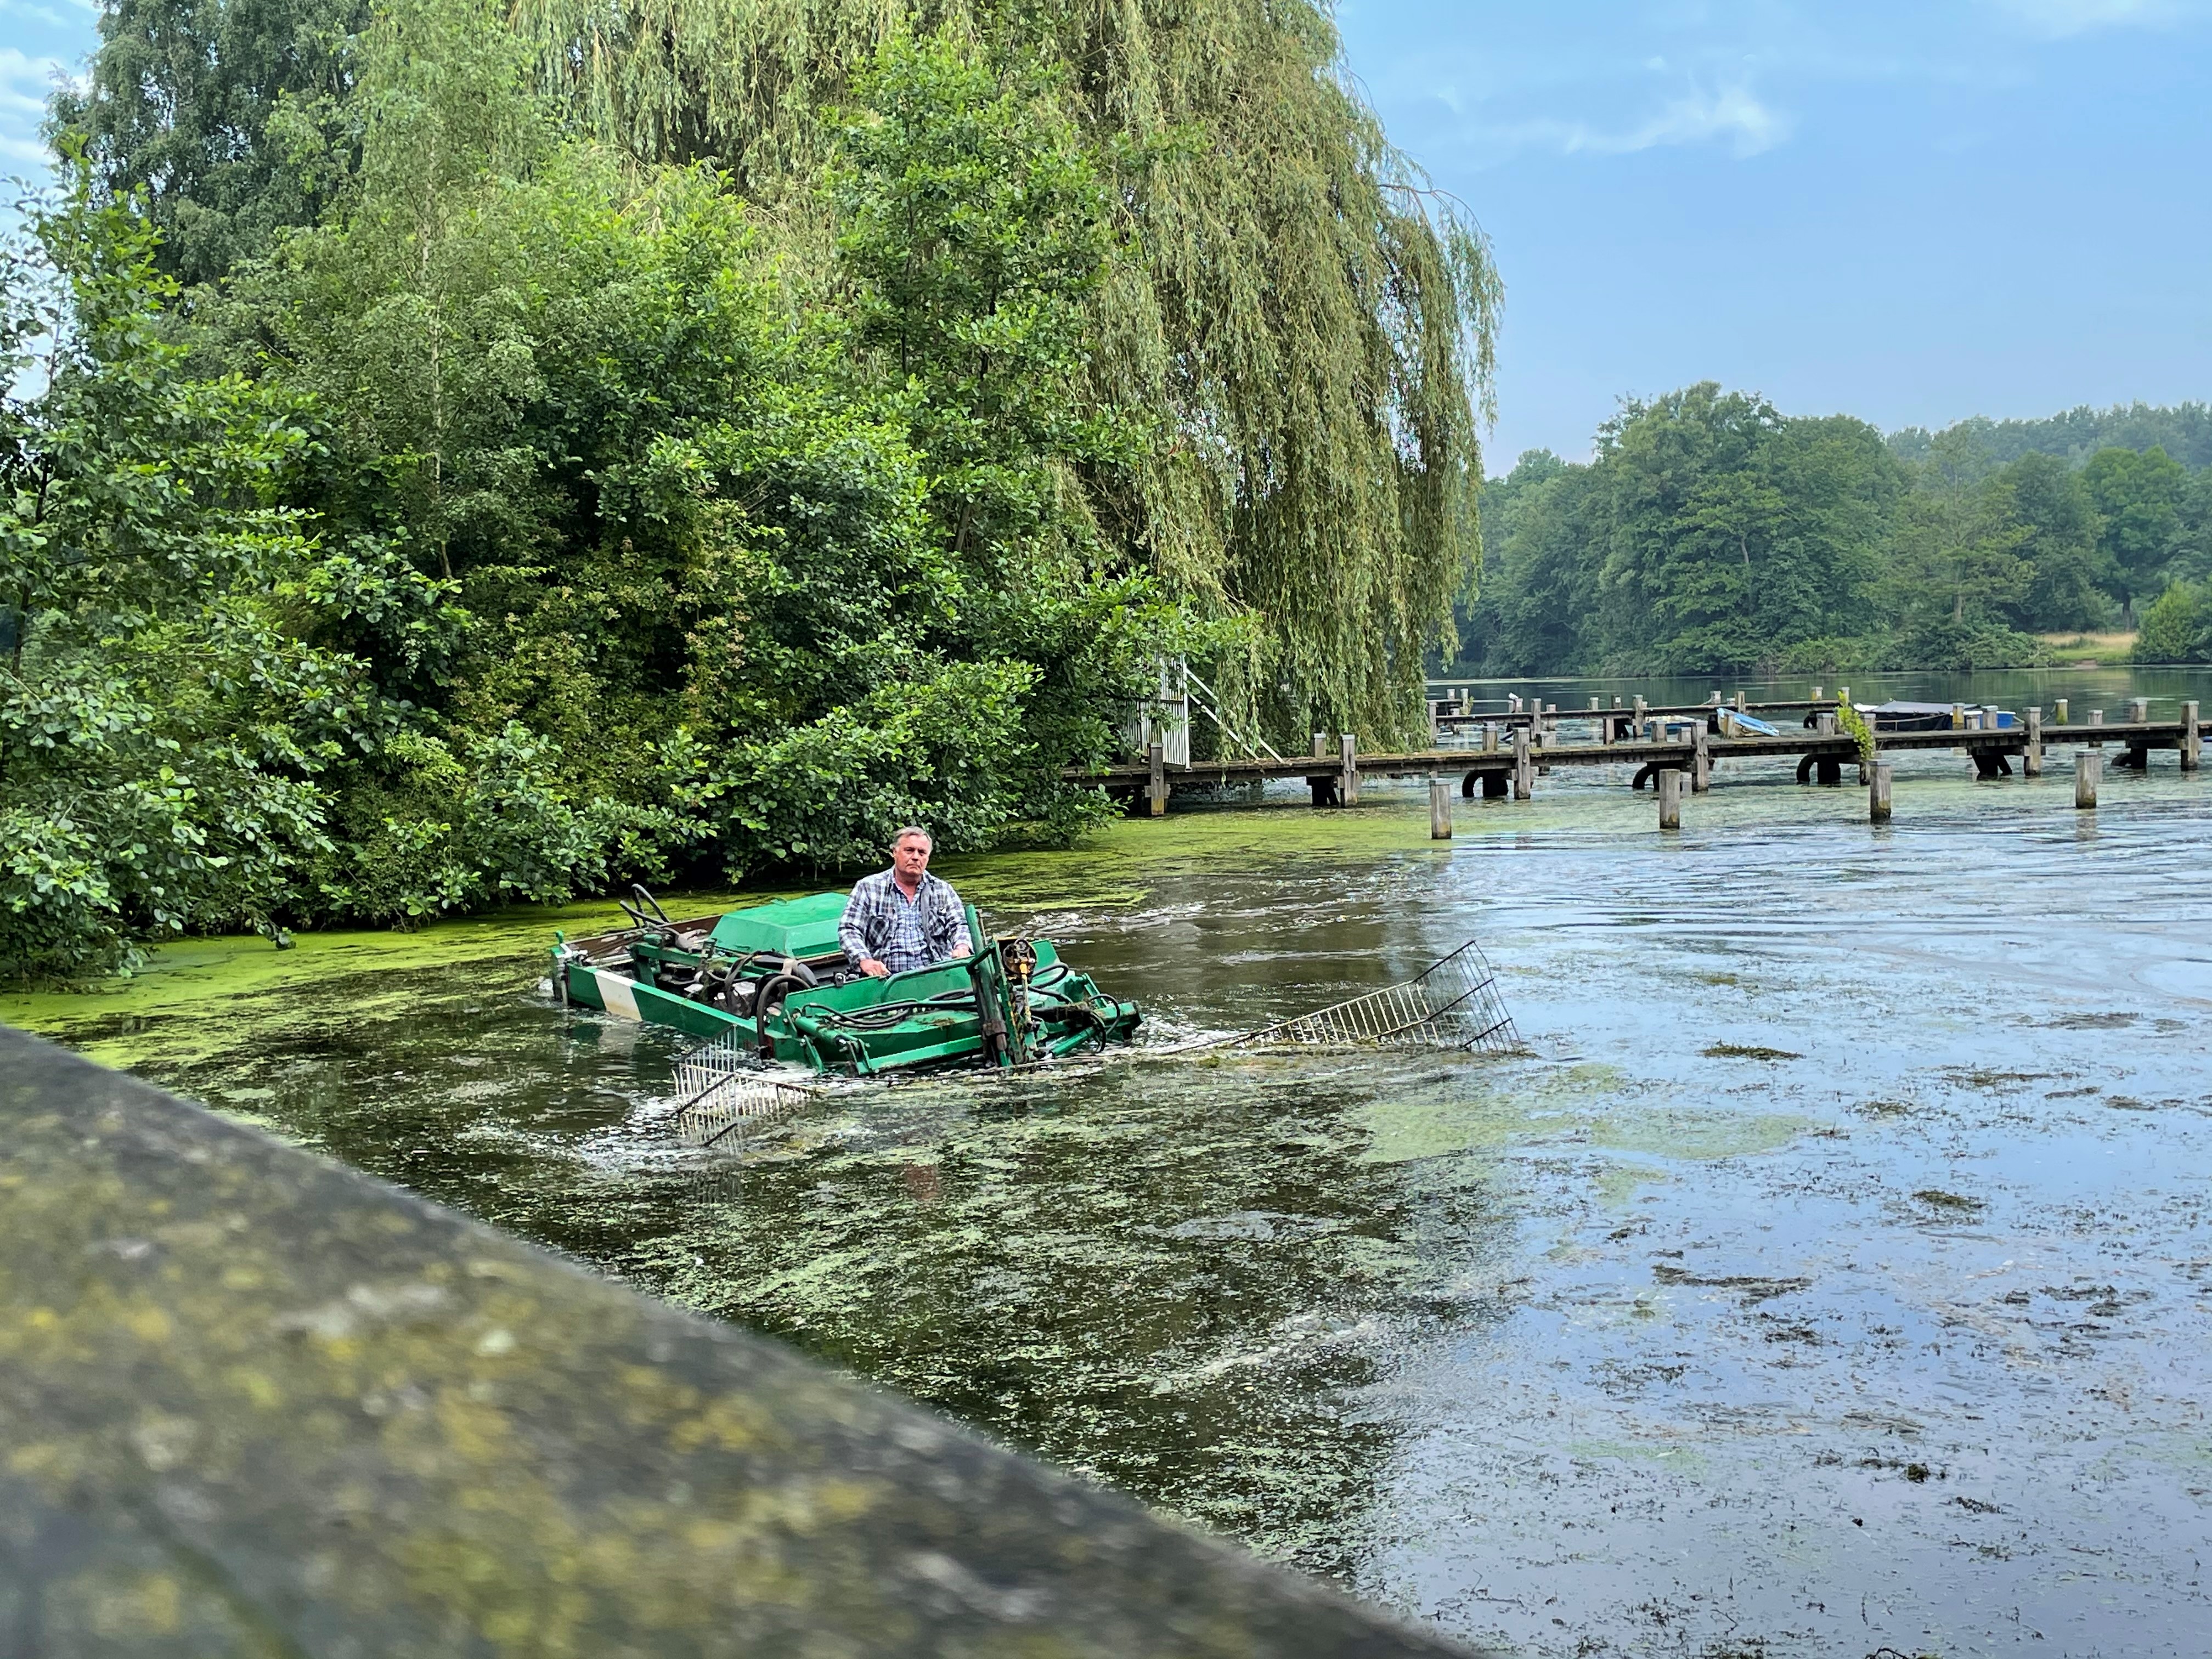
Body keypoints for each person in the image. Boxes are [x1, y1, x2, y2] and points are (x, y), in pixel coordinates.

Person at [838, 826, 973, 978]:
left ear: (928, 857)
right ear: (895, 852)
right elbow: (849, 929)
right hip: (885, 980)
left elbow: (960, 925)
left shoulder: (943, 890)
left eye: (922, 853)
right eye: (909, 850)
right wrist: (865, 960)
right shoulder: (868, 888)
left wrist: (962, 947)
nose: (916, 857)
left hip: (939, 975)